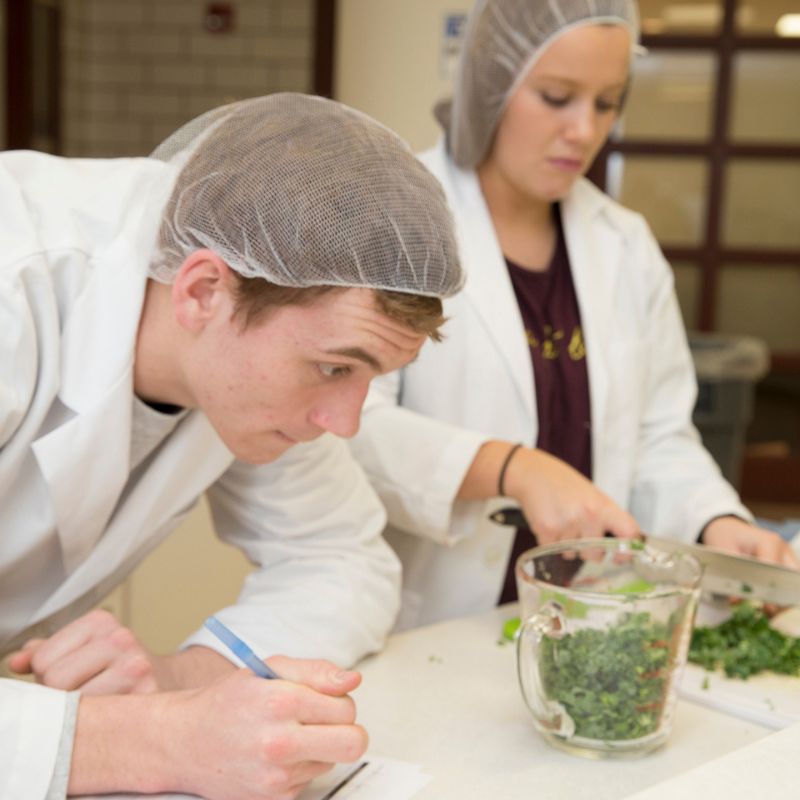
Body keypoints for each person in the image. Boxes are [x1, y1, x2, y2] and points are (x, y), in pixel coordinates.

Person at [0, 94, 463, 799]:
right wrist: (160, 738)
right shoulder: (14, 289)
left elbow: (343, 557)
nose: (344, 421)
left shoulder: (253, 317)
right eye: (335, 368)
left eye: (369, 377)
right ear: (204, 290)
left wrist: (184, 677)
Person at [349, 0, 799, 631]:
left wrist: (714, 522)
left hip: (589, 620)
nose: (586, 131)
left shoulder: (626, 244)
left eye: (607, 101)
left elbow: (659, 436)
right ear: (491, 85)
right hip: (431, 622)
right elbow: (347, 429)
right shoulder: (392, 225)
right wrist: (511, 467)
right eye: (557, 97)